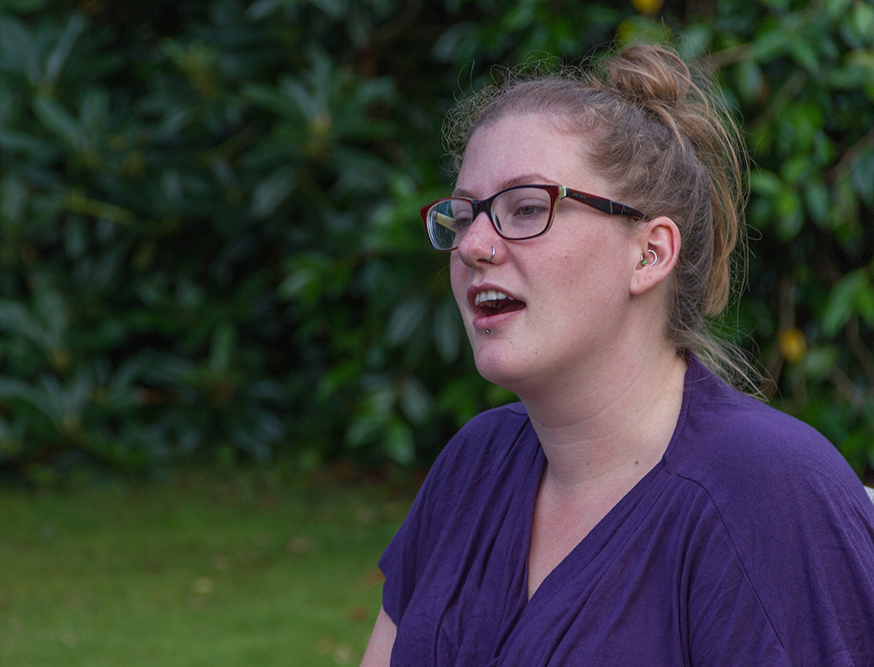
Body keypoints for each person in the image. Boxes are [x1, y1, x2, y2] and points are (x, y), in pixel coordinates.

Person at [360, 43, 874, 666]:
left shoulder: (768, 494)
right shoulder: (473, 466)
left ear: (650, 254)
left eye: (527, 208)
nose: (472, 245)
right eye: (464, 216)